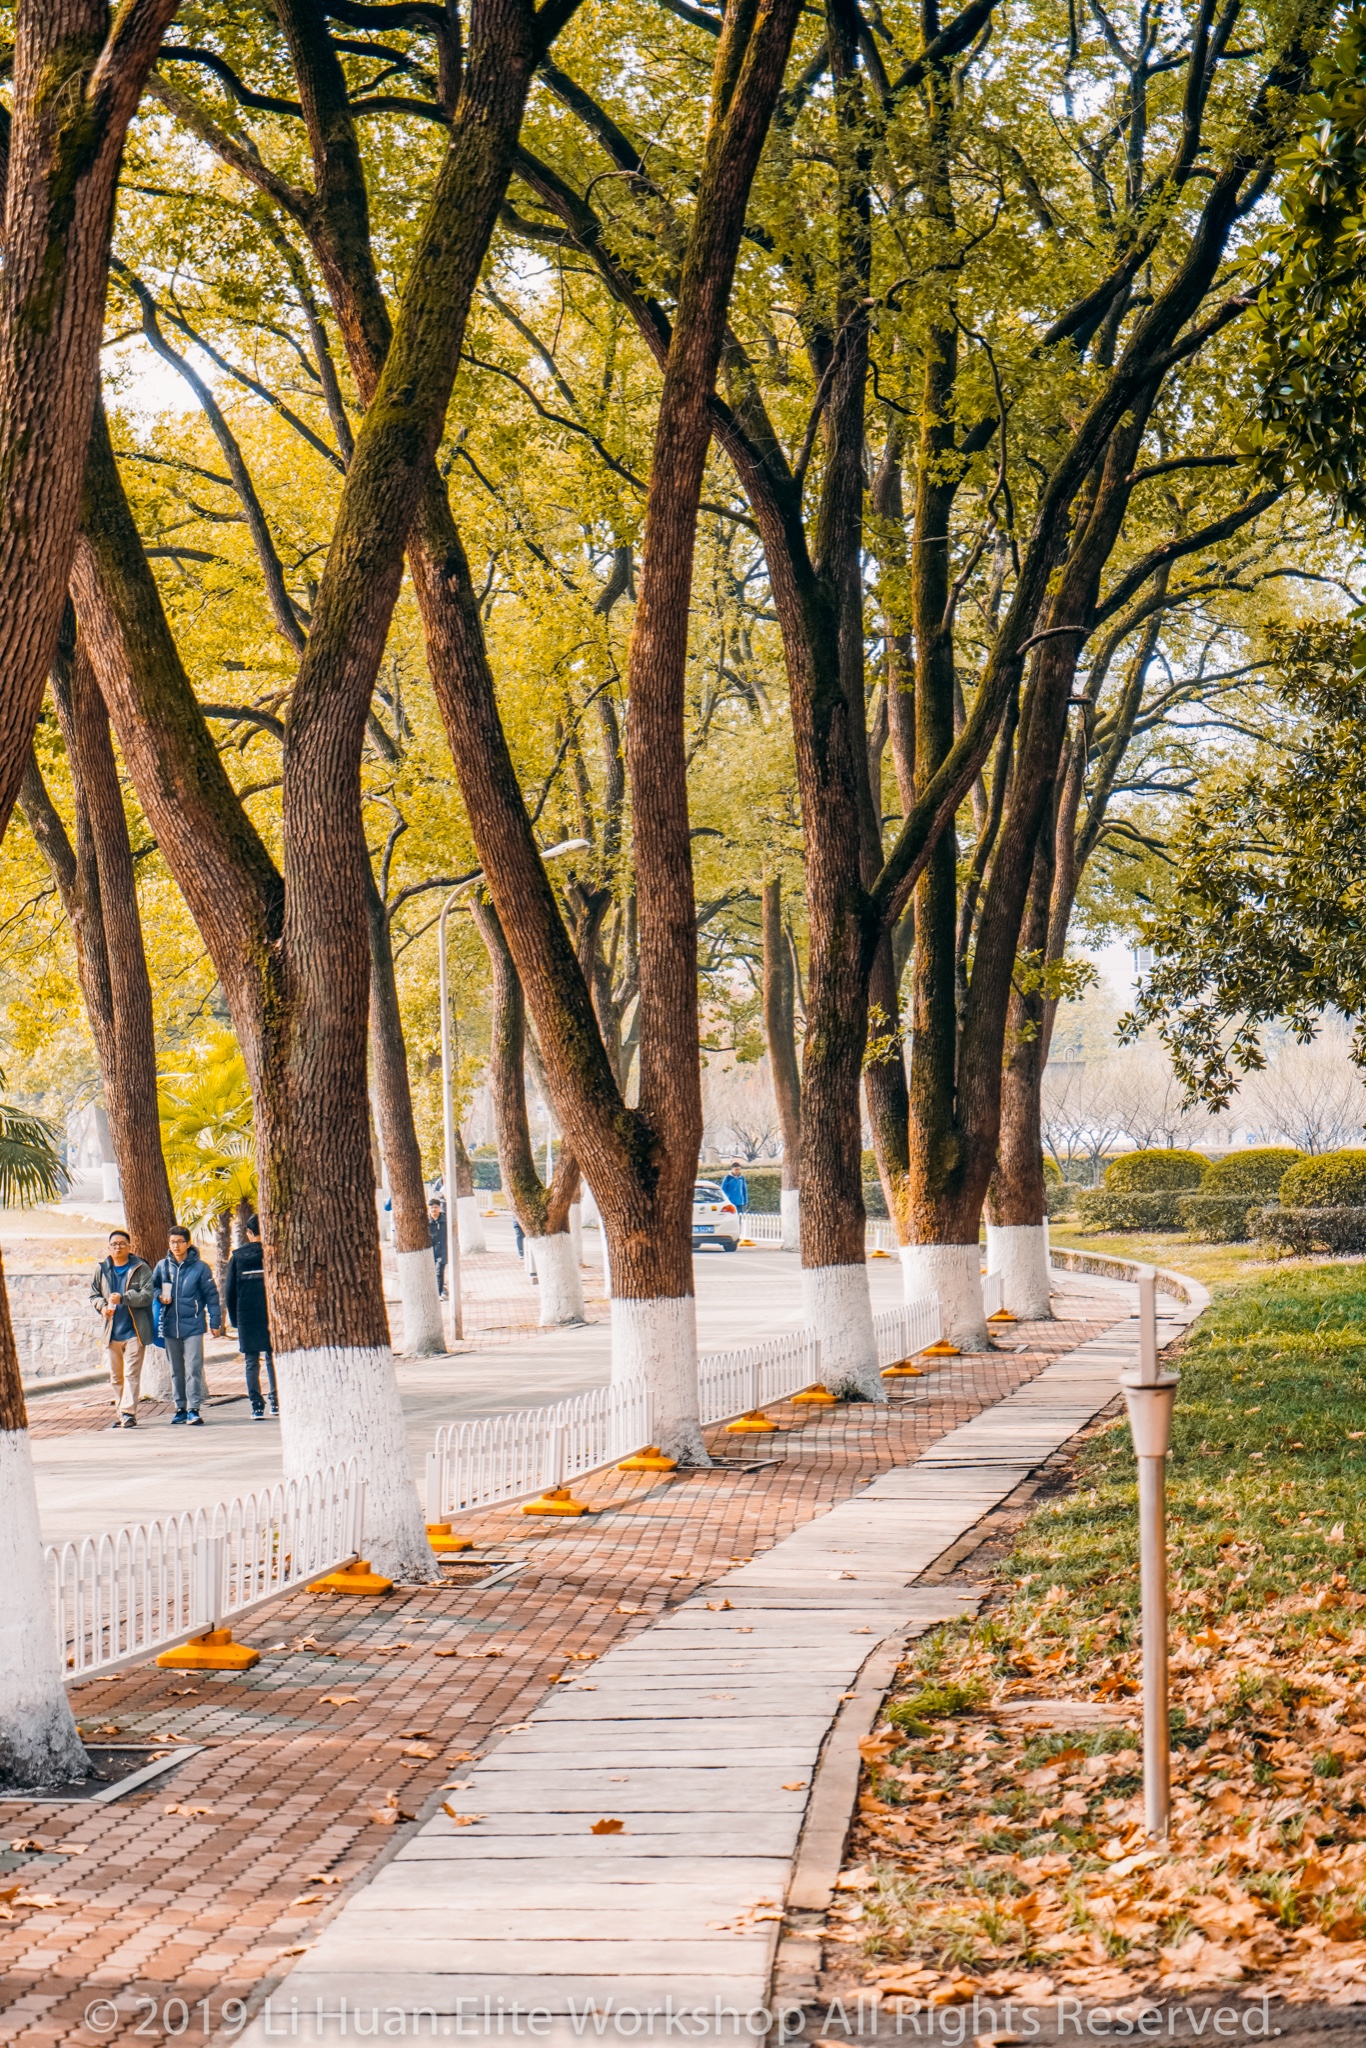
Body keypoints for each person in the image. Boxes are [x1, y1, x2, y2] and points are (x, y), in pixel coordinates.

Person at [151, 1226, 223, 1426]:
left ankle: (193, 1408)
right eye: (172, 1242)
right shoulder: (162, 1266)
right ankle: (180, 1407)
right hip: (168, 1324)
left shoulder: (200, 1267)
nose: (176, 1246)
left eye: (180, 1242)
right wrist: (159, 1295)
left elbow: (211, 1295)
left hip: (193, 1324)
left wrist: (216, 1321)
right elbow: (153, 1286)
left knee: (193, 1367)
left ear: (188, 1243)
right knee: (176, 1369)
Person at [89, 1228, 154, 1429]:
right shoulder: (102, 1269)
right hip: (111, 1332)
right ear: (109, 1247)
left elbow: (147, 1295)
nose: (118, 1247)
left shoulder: (140, 1268)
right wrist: (102, 1307)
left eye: (122, 1244)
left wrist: (125, 1298)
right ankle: (121, 1412)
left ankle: (128, 1413)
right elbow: (93, 1295)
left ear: (129, 1246)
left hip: (135, 1330)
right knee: (116, 1377)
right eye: (114, 1244)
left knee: (131, 1374)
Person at [226, 1214, 276, 1419]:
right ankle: (276, 1401)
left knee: (251, 1360)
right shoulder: (272, 1253)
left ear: (248, 1232)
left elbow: (230, 1291)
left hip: (246, 1314)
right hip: (271, 1314)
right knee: (273, 1358)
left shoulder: (237, 1257)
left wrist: (234, 1319)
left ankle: (256, 1406)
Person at [428, 1196, 448, 1298]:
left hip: (443, 1250)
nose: (433, 1209)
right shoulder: (427, 1221)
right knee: (431, 1272)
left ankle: (439, 1293)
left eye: (435, 1207)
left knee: (439, 1271)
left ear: (439, 1208)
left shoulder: (445, 1220)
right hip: (430, 1250)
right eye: (431, 1207)